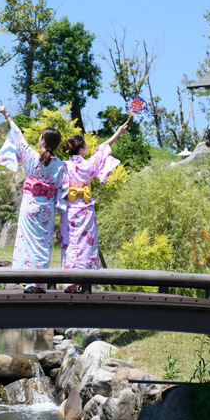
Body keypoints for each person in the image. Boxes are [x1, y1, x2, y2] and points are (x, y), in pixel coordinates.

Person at [0, 102, 68, 293]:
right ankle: (38, 284)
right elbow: (62, 186)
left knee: (25, 240)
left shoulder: (31, 156)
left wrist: (6, 113)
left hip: (29, 204)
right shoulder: (60, 164)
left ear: (43, 141)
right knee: (43, 243)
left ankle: (23, 279)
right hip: (47, 208)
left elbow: (17, 134)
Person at [58, 119, 129, 292]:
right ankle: (85, 282)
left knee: (69, 244)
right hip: (85, 209)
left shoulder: (63, 166)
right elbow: (103, 148)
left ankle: (69, 283)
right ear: (81, 150)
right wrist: (118, 133)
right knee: (85, 245)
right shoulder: (89, 165)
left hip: (69, 208)